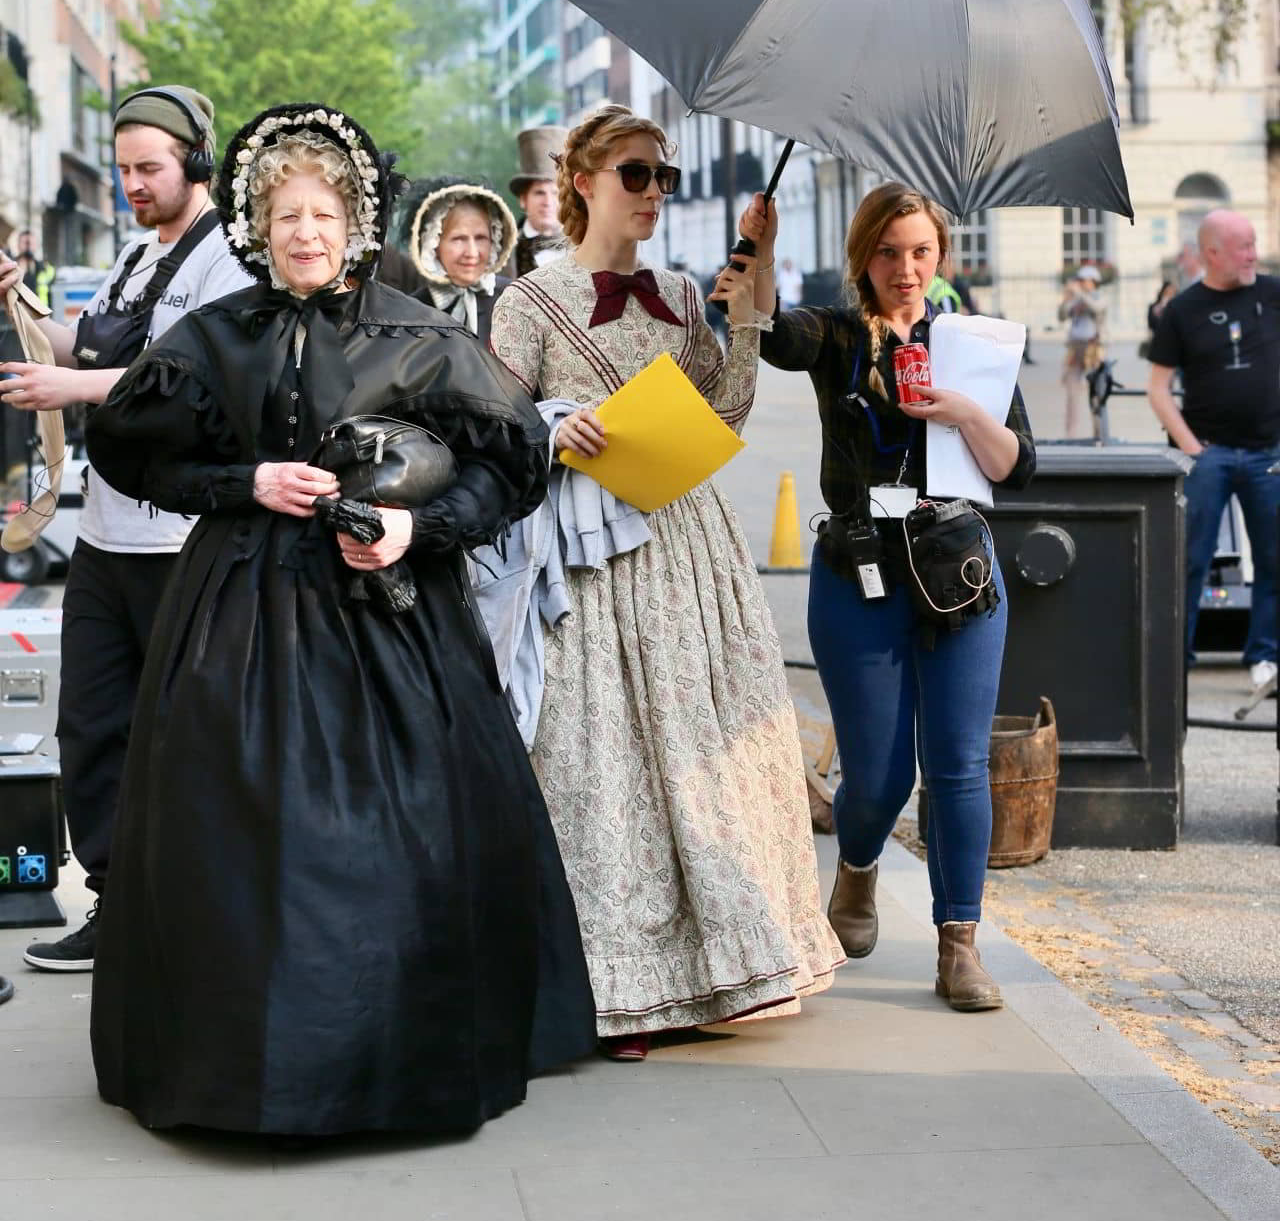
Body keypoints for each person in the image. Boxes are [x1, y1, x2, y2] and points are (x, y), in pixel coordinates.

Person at [84, 102, 595, 1136]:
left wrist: (417, 530)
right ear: (257, 230)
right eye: (284, 218)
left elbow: (512, 462)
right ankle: (234, 1060)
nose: (304, 234)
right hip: (235, 611)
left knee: (395, 824)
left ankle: (391, 1048)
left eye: (321, 213)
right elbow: (129, 450)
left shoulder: (417, 336)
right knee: (237, 826)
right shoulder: (212, 337)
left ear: (355, 221)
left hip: (387, 617)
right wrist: (243, 482)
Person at [490, 104, 842, 1060]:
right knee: (601, 766)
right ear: (584, 181)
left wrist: (747, 302)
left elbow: (723, 414)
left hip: (687, 545)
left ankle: (723, 969)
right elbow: (490, 424)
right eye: (636, 174)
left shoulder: (687, 294)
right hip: (589, 558)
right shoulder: (529, 300)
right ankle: (617, 988)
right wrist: (553, 429)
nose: (653, 192)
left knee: (709, 757)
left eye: (664, 177)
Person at [759, 182, 1036, 1012]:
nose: (905, 268)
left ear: (940, 254)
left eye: (919, 251)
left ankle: (960, 946)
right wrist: (762, 252)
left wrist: (959, 411)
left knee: (956, 766)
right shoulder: (839, 335)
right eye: (887, 252)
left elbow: (1017, 466)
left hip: (958, 568)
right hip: (860, 566)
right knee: (878, 776)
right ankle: (857, 869)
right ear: (862, 259)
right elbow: (776, 338)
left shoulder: (974, 345)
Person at [0, 84, 245, 973]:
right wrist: (26, 306)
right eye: (124, 169)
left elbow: (193, 380)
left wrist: (73, 390)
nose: (134, 184)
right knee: (93, 725)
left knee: (186, 733)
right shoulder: (136, 257)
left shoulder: (232, 262)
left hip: (185, 538)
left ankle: (196, 911)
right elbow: (90, 348)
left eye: (150, 168)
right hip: (107, 534)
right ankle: (116, 904)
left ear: (198, 163)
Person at [1147, 208, 1280, 690]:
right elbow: (1158, 388)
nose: (1253, 254)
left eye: (1253, 243)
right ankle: (1177, 660)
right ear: (1211, 253)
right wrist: (1190, 447)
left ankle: (1265, 656)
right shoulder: (1182, 310)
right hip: (1211, 455)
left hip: (1269, 453)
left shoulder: (1272, 292)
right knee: (1190, 559)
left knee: (1273, 558)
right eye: (1243, 246)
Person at [405, 177, 517, 346]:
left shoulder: (516, 300)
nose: (472, 252)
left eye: (481, 238)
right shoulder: (411, 312)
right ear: (432, 243)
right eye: (458, 239)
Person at [510, 126, 568, 277]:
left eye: (556, 193)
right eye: (539, 193)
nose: (548, 201)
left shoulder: (588, 246)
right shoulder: (505, 252)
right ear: (523, 199)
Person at [1058, 262, 1105, 436]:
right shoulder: (1076, 298)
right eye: (1079, 280)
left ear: (1093, 281)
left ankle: (1099, 432)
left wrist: (1080, 294)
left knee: (1096, 392)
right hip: (1075, 347)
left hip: (1093, 348)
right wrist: (1066, 299)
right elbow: (1062, 316)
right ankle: (1070, 433)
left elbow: (1097, 308)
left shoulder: (1099, 297)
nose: (1080, 283)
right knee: (1072, 392)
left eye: (1084, 280)